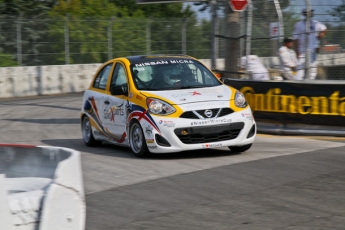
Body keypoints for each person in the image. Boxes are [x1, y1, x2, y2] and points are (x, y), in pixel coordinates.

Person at [292, 8, 327, 80]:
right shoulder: (299, 24)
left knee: (312, 69)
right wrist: (297, 51)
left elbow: (324, 29)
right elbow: (295, 38)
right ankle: (297, 83)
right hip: (302, 50)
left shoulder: (315, 23)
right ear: (305, 14)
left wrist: (320, 36)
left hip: (313, 50)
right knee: (300, 69)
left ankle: (311, 82)